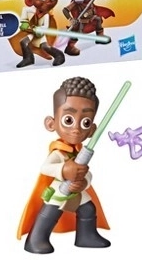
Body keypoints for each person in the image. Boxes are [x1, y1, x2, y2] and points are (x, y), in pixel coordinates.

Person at [17, 77, 110, 254]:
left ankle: (86, 236)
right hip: (59, 189)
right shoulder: (58, 152)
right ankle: (36, 239)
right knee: (51, 211)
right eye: (68, 120)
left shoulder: (80, 151)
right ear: (51, 123)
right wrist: (64, 169)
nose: (76, 129)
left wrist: (84, 182)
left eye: (85, 122)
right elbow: (45, 168)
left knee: (88, 208)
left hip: (75, 190)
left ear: (92, 130)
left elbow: (87, 173)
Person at [9, 0, 64, 67]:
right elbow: (24, 18)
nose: (49, 1)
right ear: (30, 0)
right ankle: (28, 58)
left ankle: (59, 56)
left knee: (46, 47)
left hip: (40, 35)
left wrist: (35, 29)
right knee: (23, 42)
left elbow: (44, 28)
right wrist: (25, 24)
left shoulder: (46, 16)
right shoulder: (29, 10)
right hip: (32, 33)